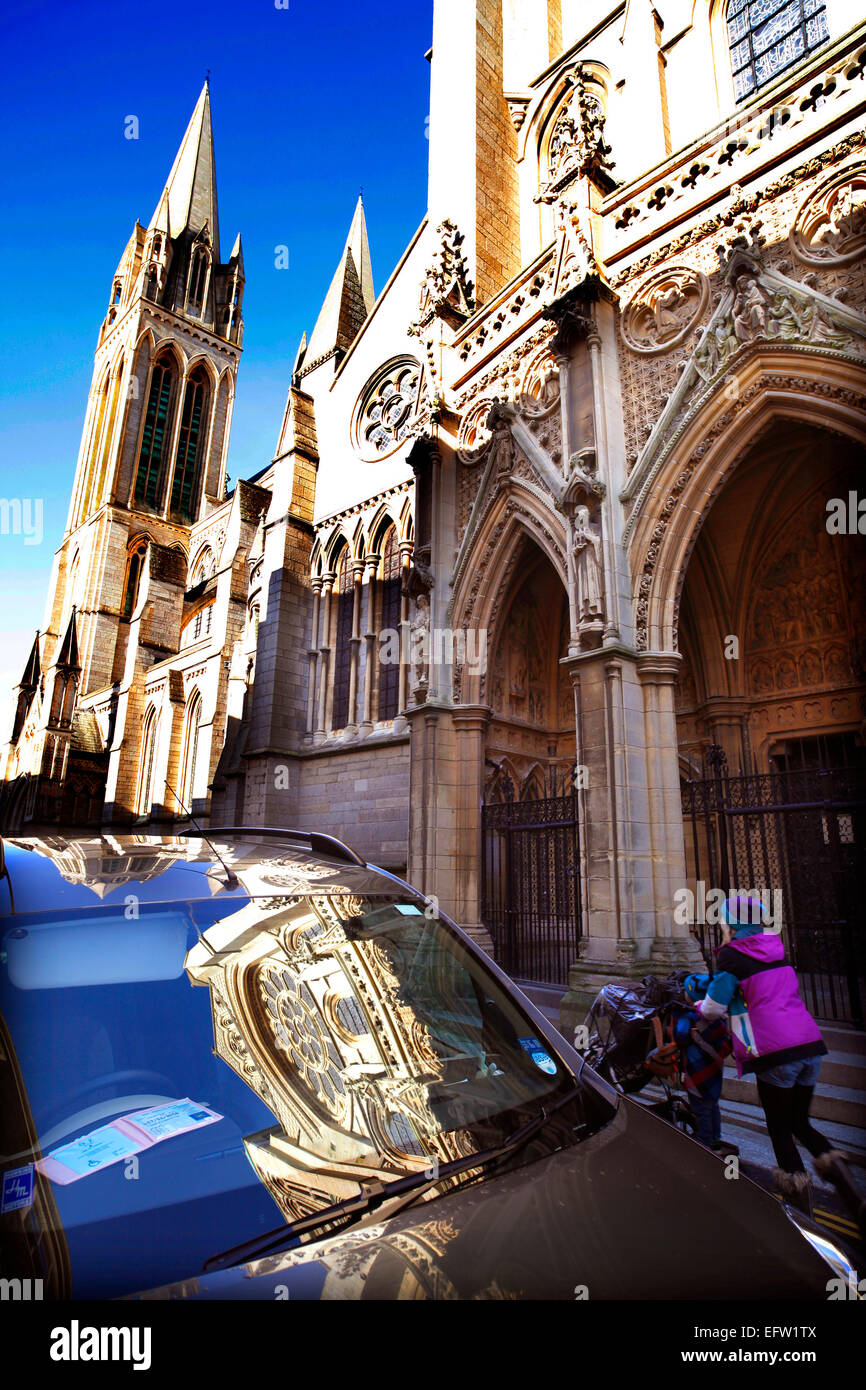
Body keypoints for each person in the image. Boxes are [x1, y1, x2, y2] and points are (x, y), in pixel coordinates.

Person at [695, 894, 845, 1216]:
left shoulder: (732, 957)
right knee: (800, 1122)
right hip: (809, 1045)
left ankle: (800, 1209)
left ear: (732, 924)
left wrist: (700, 1006)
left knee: (779, 1128)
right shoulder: (776, 948)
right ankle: (849, 1188)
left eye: (724, 920)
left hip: (775, 1052)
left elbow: (713, 1008)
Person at [674, 974, 738, 1158]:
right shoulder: (718, 1017)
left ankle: (705, 1147)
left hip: (697, 1071)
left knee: (700, 1110)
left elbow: (681, 1036)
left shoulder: (690, 1016)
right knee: (712, 1106)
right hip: (714, 1070)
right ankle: (716, 1141)